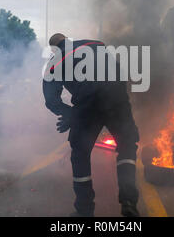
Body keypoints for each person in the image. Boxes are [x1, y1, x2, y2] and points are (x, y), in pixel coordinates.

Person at [43, 33, 140, 217]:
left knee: (80, 154)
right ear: (69, 40)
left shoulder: (54, 62)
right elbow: (118, 70)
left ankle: (84, 211)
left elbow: (50, 100)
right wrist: (120, 99)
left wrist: (71, 114)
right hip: (116, 97)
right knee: (127, 146)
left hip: (87, 104)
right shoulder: (95, 44)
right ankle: (129, 202)